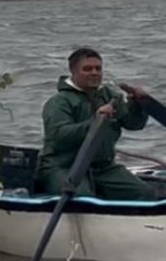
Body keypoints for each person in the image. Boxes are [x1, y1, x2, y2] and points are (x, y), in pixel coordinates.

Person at [37, 47, 157, 201]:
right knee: (82, 198)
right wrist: (95, 121)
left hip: (103, 168)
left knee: (144, 193)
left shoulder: (111, 97)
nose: (94, 73)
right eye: (87, 69)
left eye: (98, 68)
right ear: (73, 72)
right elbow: (60, 136)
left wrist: (137, 104)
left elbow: (134, 124)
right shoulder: (59, 102)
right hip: (64, 166)